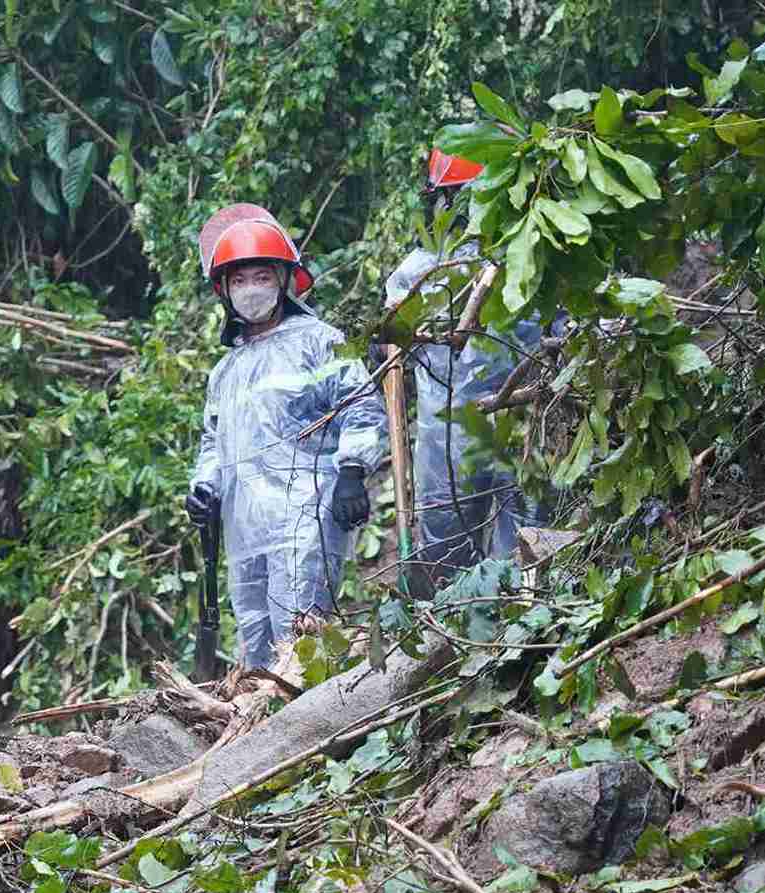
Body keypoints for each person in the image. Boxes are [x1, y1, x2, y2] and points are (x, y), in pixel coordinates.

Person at [186, 209, 387, 669]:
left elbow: (360, 405)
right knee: (255, 645)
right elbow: (213, 442)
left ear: (283, 282)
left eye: (261, 276)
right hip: (244, 526)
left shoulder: (319, 342)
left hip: (305, 513)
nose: (250, 289)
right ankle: (262, 731)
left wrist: (353, 471)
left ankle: (318, 732)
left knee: (301, 637)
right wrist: (203, 488)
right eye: (239, 280)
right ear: (225, 291)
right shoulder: (226, 371)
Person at [384, 149, 547, 592]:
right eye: (457, 196)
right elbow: (394, 353)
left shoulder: (533, 255)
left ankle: (528, 631)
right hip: (447, 436)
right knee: (446, 554)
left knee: (530, 541)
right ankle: (450, 636)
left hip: (524, 423)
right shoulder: (414, 274)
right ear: (439, 202)